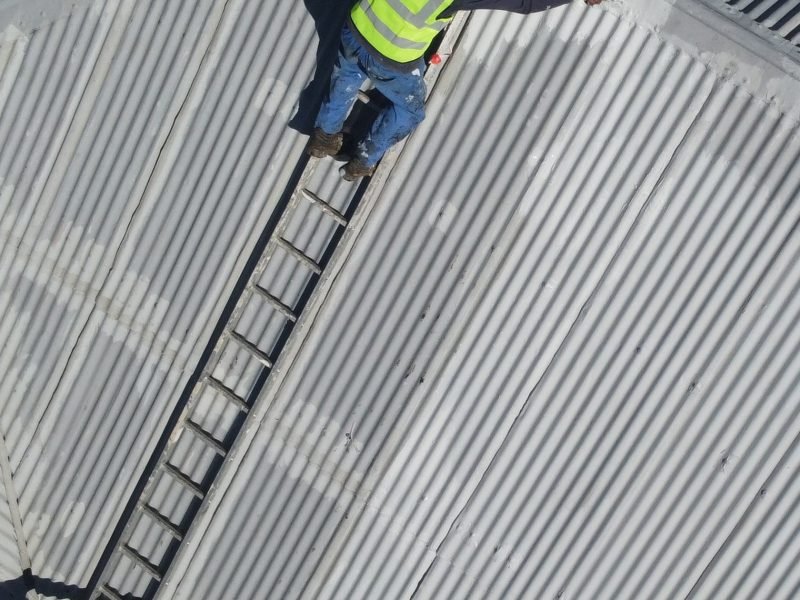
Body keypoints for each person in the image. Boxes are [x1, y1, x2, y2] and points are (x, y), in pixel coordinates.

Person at [307, 0, 604, 181]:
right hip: (391, 57)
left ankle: (324, 138)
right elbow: (525, 2)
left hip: (357, 23)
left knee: (345, 76)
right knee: (410, 110)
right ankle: (363, 160)